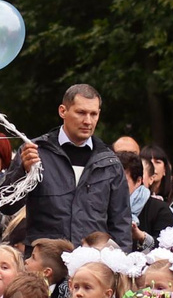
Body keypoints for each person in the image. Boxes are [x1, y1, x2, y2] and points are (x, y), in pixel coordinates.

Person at [13, 85, 134, 246]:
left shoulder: (110, 162)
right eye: (81, 113)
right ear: (63, 111)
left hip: (92, 263)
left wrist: (120, 266)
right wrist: (24, 173)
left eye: (93, 114)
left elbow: (121, 225)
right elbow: (7, 206)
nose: (88, 121)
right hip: (46, 262)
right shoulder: (34, 152)